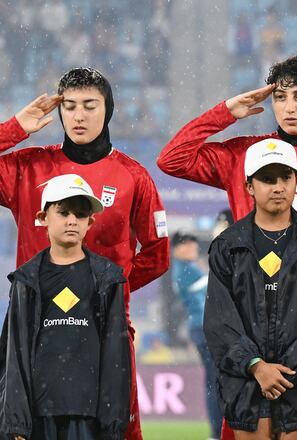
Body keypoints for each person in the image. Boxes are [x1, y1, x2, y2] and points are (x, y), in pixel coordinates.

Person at [158, 56, 297, 439]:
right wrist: (225, 113)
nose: (289, 107)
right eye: (280, 97)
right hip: (250, 325)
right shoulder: (245, 156)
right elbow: (172, 159)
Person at [0, 66, 169, 439]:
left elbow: (158, 253)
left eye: (90, 105)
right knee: (20, 428)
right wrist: (14, 128)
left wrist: (109, 290)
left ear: (108, 109)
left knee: (119, 429)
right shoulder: (28, 167)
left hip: (104, 325)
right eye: (70, 105)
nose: (78, 115)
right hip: (33, 325)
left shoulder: (134, 177)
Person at [204, 139, 297, 440]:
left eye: (285, 177)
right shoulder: (227, 246)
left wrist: (283, 371)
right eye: (268, 179)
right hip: (246, 382)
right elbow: (220, 320)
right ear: (249, 187)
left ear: (296, 181)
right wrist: (256, 367)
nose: (278, 187)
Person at [0, 174, 131, 439]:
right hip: (37, 418)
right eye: (63, 212)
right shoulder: (26, 279)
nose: (72, 220)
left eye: (80, 214)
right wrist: (15, 424)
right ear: (43, 217)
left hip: (89, 418)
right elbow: (14, 354)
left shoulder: (107, 278)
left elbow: (116, 357)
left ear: (90, 222)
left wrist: (112, 424)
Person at [171, 232, 222, 440]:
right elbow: (218, 286)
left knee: (213, 381)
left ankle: (217, 431)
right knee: (216, 381)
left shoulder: (185, 268)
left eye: (193, 243)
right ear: (176, 250)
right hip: (205, 328)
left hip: (200, 327)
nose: (192, 247)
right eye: (186, 244)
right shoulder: (186, 270)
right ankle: (218, 431)